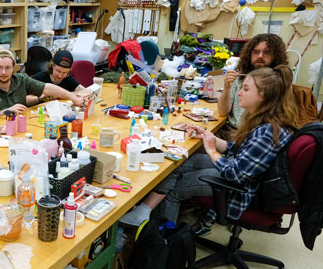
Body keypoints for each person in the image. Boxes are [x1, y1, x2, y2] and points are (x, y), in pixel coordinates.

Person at [119, 65, 301, 236]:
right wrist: (210, 138)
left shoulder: (267, 133)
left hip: (242, 190)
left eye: (246, 89)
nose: (239, 93)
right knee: (182, 162)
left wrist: (211, 150)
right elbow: (238, 151)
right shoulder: (267, 121)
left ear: (263, 96)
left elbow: (235, 175)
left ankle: (164, 241)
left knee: (175, 189)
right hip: (245, 176)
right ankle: (144, 211)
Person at [0, 49, 85, 119]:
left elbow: (48, 88)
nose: (4, 72)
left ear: (14, 68)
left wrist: (72, 97)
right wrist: (7, 111)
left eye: (8, 68)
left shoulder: (22, 80)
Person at [217, 33, 287, 140]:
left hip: (252, 136)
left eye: (267, 52)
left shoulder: (278, 83)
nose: (260, 56)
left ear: (275, 55)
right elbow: (223, 112)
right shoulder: (240, 75)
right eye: (256, 52)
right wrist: (226, 88)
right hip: (229, 131)